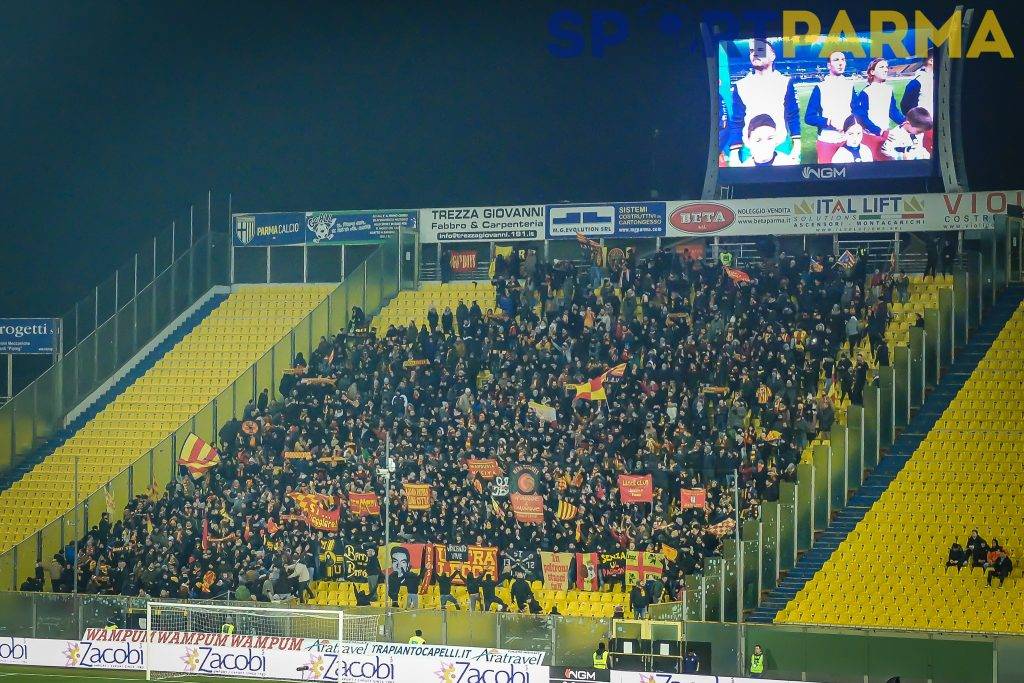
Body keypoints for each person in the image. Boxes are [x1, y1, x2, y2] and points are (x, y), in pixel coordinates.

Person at [727, 39, 801, 166]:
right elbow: (737, 121)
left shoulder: (785, 82)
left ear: (773, 56)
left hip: (780, 144)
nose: (754, 54)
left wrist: (797, 145)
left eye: (760, 50)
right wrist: (734, 154)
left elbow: (793, 115)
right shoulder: (741, 85)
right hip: (751, 148)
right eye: (751, 51)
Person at [805, 51, 856, 163]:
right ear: (829, 65)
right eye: (836, 60)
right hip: (827, 140)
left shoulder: (850, 86)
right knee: (828, 175)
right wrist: (829, 122)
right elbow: (809, 117)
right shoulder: (820, 87)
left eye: (843, 60)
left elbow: (856, 111)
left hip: (847, 140)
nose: (841, 63)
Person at [853, 58, 905, 157]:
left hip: (885, 134)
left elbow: (892, 111)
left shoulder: (889, 90)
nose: (885, 69)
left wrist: (905, 121)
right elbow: (862, 118)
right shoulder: (866, 92)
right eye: (881, 67)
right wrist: (878, 131)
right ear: (872, 72)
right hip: (871, 136)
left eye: (886, 67)